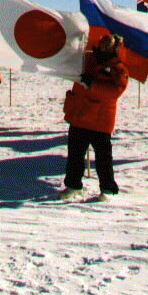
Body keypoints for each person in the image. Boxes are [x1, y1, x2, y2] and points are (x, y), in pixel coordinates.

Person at [59, 33, 129, 201]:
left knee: (103, 158)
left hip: (100, 120)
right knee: (75, 156)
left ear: (114, 48)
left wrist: (92, 84)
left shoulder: (118, 68)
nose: (103, 47)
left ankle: (108, 189)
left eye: (108, 45)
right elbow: (69, 63)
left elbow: (115, 91)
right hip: (79, 116)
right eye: (102, 43)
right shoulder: (87, 59)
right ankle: (73, 186)